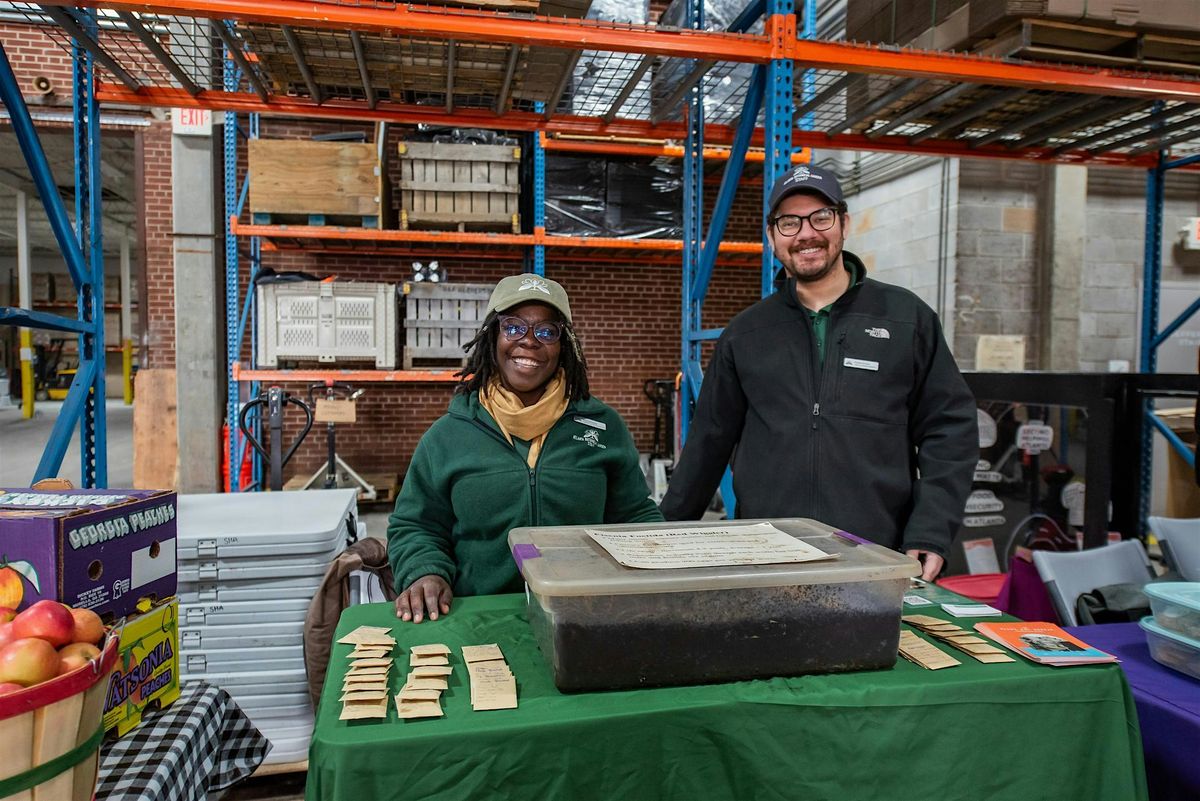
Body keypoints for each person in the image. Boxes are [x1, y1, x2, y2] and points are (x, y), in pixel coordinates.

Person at [660, 164, 977, 580]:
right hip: (766, 552)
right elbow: (708, 442)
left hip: (877, 553)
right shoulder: (747, 333)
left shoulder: (906, 319)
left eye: (820, 217)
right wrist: (660, 537)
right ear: (773, 237)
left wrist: (931, 530)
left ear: (843, 224)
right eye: (789, 223)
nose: (806, 233)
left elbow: (948, 429)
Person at [388, 273, 663, 622]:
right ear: (493, 337)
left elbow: (635, 514)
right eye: (514, 327)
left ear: (565, 346)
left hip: (585, 614)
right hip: (478, 615)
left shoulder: (603, 426)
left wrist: (661, 559)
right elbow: (416, 525)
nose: (529, 342)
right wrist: (425, 570)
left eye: (547, 332)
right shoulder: (447, 436)